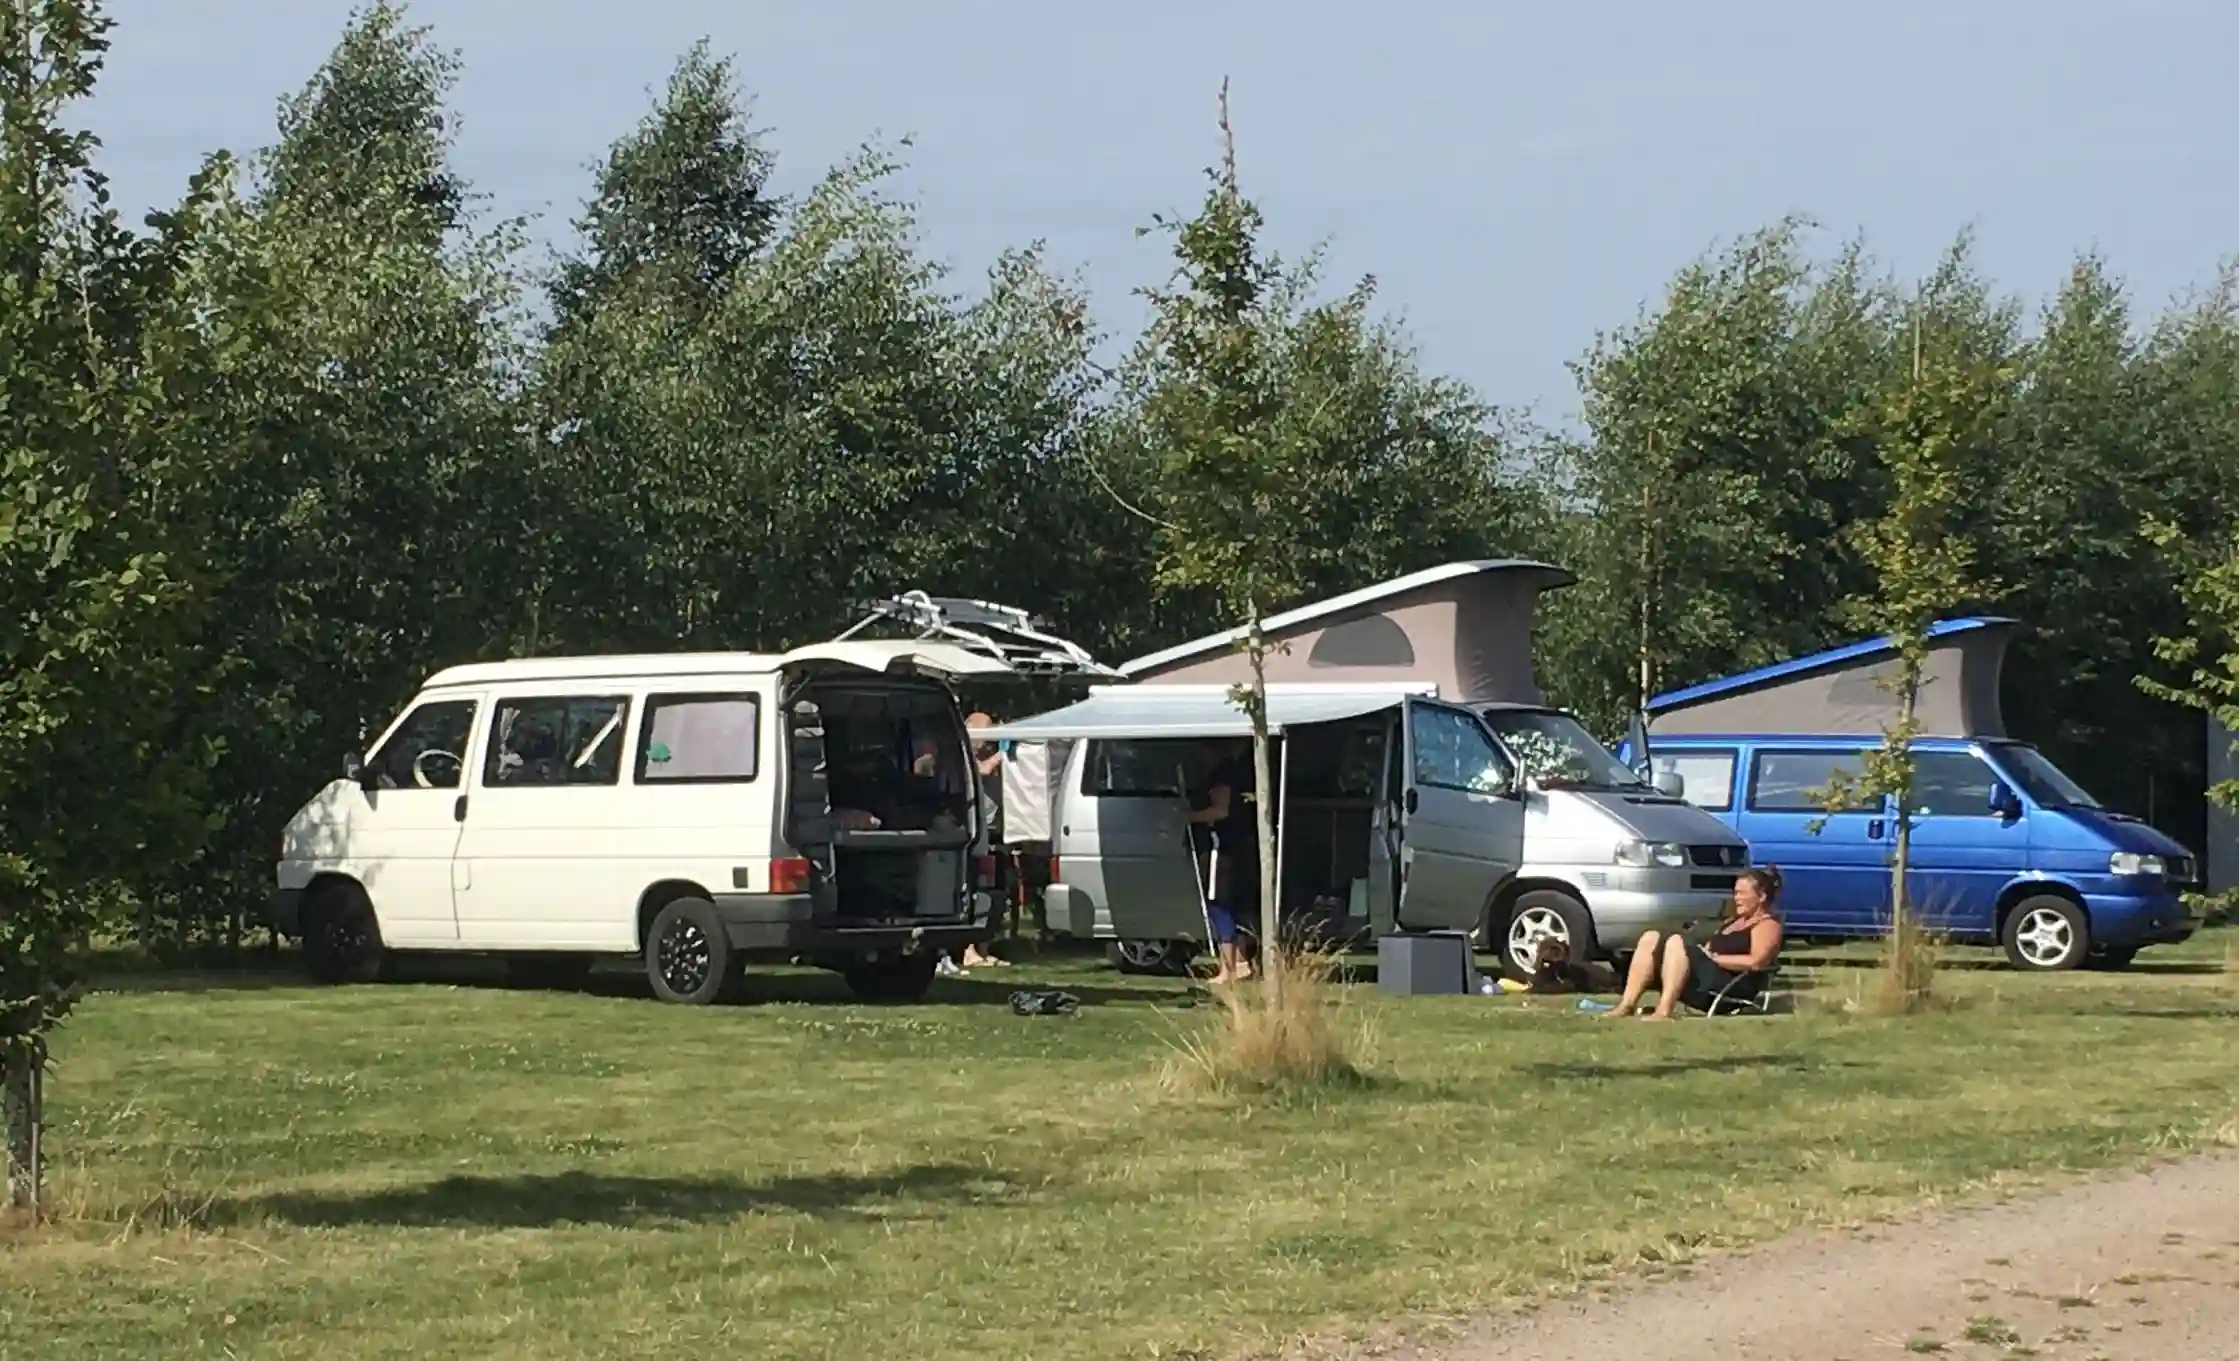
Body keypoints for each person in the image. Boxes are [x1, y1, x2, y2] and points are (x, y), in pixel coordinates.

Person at [1606, 866, 1785, 1019]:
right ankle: (1626, 1004)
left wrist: (1714, 959)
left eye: (1741, 893)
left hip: (1728, 989)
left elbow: (1756, 962)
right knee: (1651, 937)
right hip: (1706, 978)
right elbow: (1709, 949)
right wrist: (1705, 954)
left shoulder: (1767, 925)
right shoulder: (1733, 921)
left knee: (1677, 941)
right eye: (1735, 892)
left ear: (1761, 897)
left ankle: (1664, 1011)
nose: (1736, 898)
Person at [1181, 739, 1259, 985]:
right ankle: (1242, 962)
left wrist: (1191, 817)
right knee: (1233, 903)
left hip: (1219, 846)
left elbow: (1221, 810)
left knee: (1219, 904)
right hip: (1234, 846)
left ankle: (1229, 968)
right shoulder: (1235, 772)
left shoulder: (1221, 775)